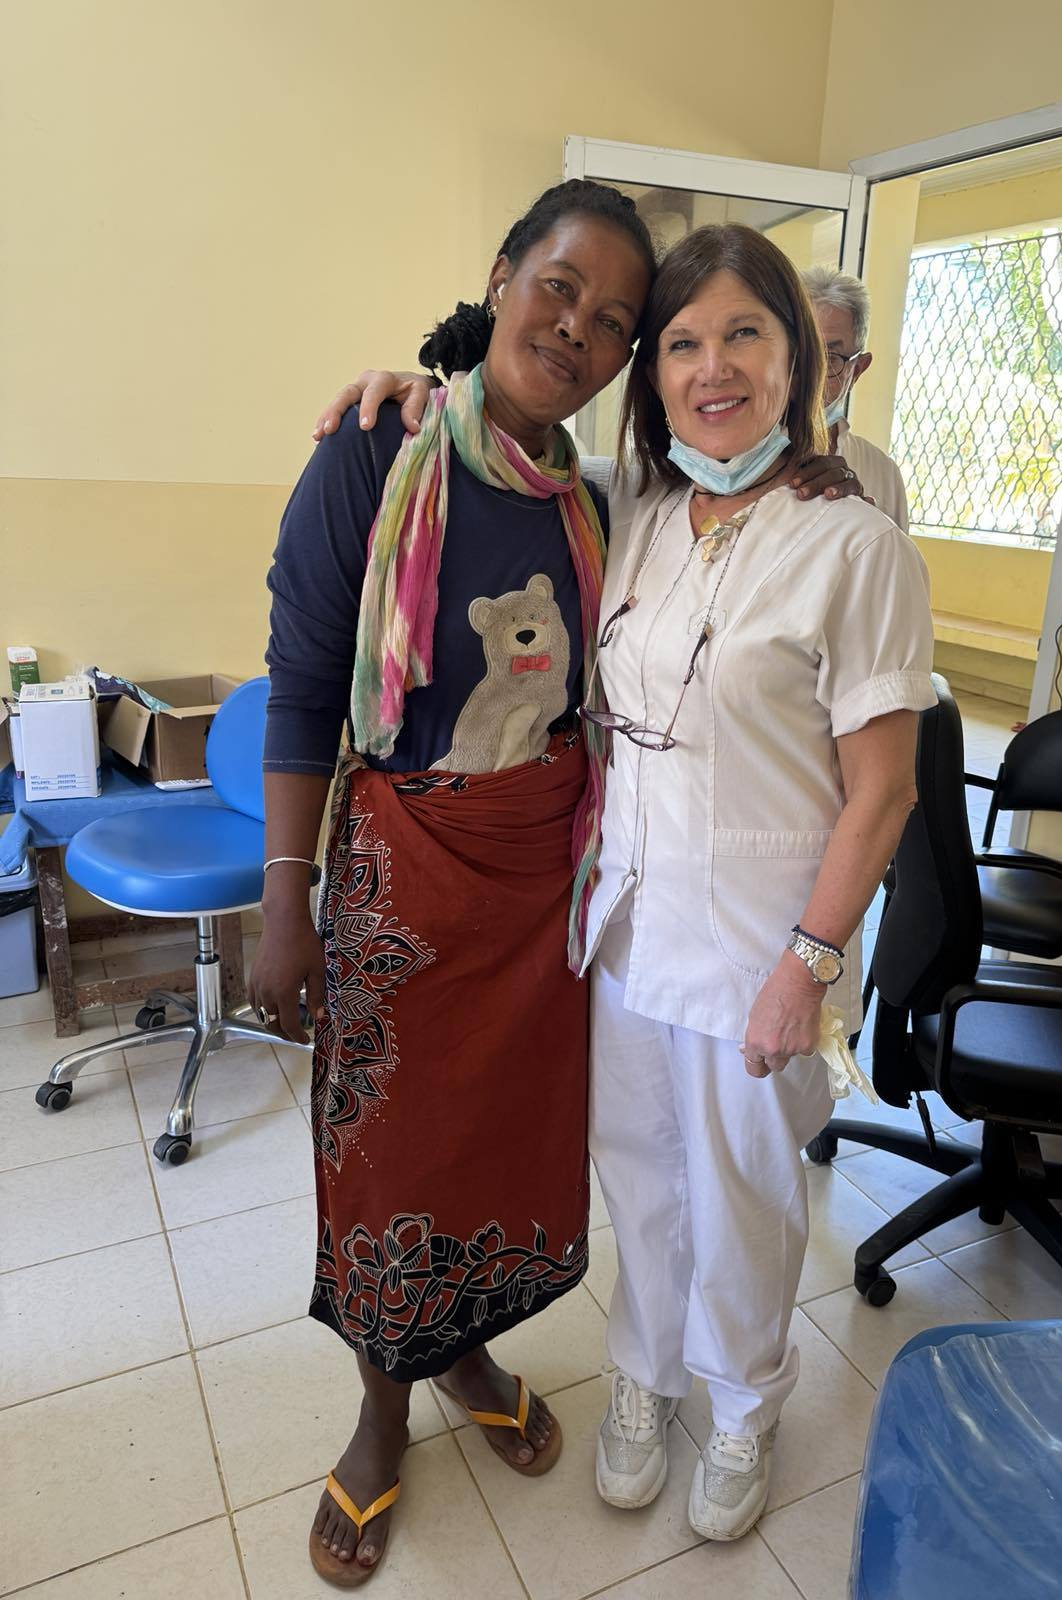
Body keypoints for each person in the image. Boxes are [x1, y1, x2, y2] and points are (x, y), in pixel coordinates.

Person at [318, 224, 935, 1543]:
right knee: (644, 1181)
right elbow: (498, 448)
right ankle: (646, 1382)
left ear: (799, 357)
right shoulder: (633, 515)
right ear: (652, 375)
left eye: (745, 334)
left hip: (763, 946)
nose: (714, 368)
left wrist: (810, 964)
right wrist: (422, 390)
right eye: (683, 343)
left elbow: (883, 791)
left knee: (749, 1198)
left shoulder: (856, 545)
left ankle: (744, 1403)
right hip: (625, 929)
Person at [251, 177, 657, 1588]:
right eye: (560, 287)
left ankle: (469, 1348)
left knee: (502, 1144)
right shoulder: (377, 453)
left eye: (615, 321)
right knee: (391, 1162)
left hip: (540, 889)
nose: (579, 329)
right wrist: (285, 895)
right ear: (501, 278)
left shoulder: (595, 510)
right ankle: (382, 1412)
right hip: (402, 878)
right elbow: (305, 683)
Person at [799, 264, 910, 530]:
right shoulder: (740, 462)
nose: (809, 374)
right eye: (797, 353)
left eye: (830, 358)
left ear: (857, 369)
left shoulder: (881, 473)